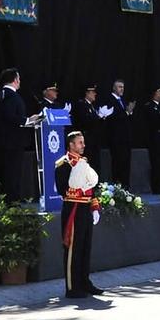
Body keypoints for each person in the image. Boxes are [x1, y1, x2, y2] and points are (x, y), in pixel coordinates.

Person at [51, 128, 103, 298]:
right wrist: (80, 191)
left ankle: (84, 282)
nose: (83, 145)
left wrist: (94, 206)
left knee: (85, 247)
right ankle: (72, 287)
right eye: (80, 142)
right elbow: (63, 190)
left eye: (83, 142)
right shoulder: (63, 164)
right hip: (73, 209)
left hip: (85, 209)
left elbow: (90, 187)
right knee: (73, 248)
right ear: (71, 144)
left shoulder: (83, 162)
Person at [0, 68, 30, 202]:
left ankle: (12, 198)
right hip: (13, 141)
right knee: (13, 171)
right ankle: (12, 200)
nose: (20, 81)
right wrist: (27, 120)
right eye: (19, 78)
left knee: (12, 171)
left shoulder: (4, 94)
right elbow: (10, 116)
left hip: (9, 140)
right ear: (15, 79)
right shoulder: (10, 95)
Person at [101, 79, 136, 189]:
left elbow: (125, 117)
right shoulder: (109, 100)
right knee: (117, 162)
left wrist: (130, 112)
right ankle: (118, 185)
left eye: (123, 87)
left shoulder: (122, 100)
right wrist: (126, 112)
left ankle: (126, 186)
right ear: (114, 88)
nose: (122, 89)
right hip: (116, 137)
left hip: (125, 137)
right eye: (120, 87)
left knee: (126, 162)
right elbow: (113, 117)